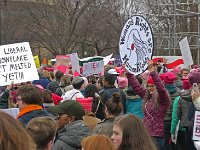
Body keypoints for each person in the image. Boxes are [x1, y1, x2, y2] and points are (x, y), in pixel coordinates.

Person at [126, 60, 170, 149]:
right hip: (146, 134)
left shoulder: (163, 99)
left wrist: (153, 72)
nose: (150, 88)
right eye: (148, 86)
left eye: (152, 86)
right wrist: (129, 72)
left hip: (157, 136)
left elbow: (161, 89)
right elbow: (137, 87)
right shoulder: (147, 96)